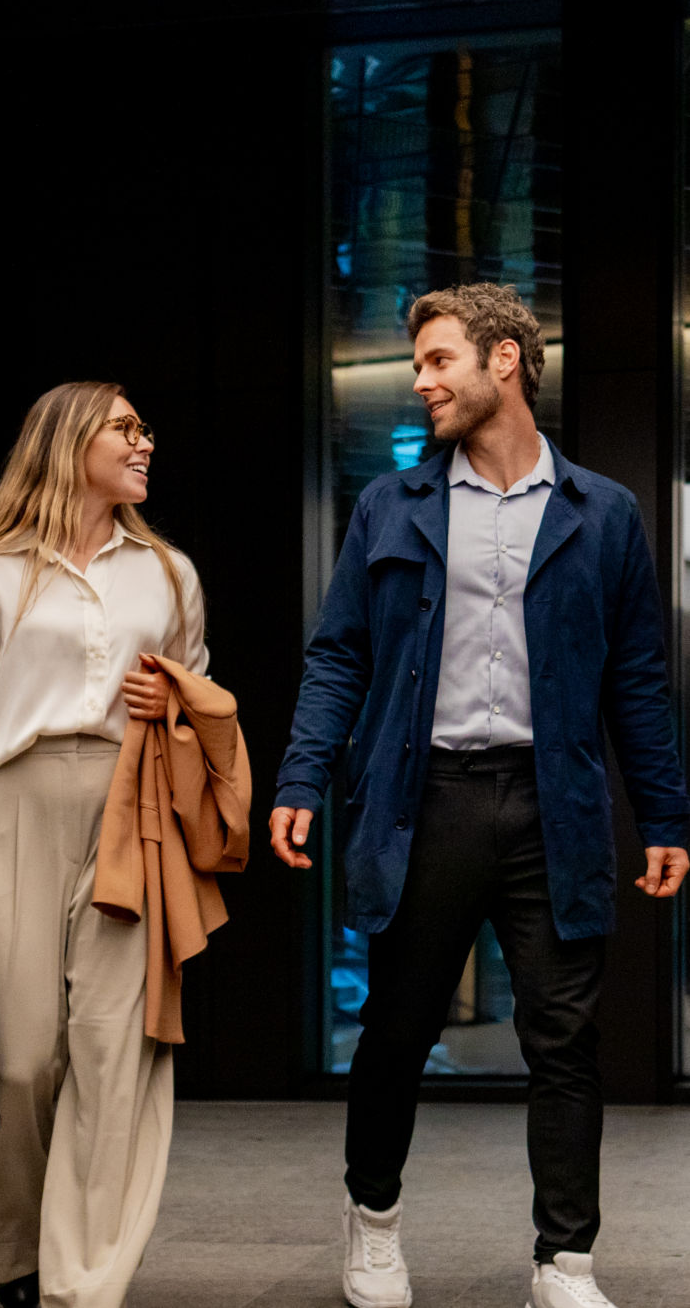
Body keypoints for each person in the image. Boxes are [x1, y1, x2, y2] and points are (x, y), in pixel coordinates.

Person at [269, 283, 690, 1308]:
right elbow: (339, 654)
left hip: (555, 804)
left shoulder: (602, 512)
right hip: (427, 799)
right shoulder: (391, 504)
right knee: (397, 1030)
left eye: (438, 360)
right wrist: (303, 773)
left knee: (564, 1037)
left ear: (505, 360)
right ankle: (373, 1221)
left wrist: (665, 814)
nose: (421, 381)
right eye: (417, 364)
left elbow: (638, 677)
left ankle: (565, 1261)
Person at [0, 381, 209, 1308]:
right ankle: (11, 1249)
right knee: (17, 1061)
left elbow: (199, 699)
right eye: (125, 428)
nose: (145, 442)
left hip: (132, 812)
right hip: (8, 809)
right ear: (67, 443)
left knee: (112, 1053)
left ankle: (84, 1282)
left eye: (145, 427)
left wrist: (168, 700)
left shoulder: (169, 573)